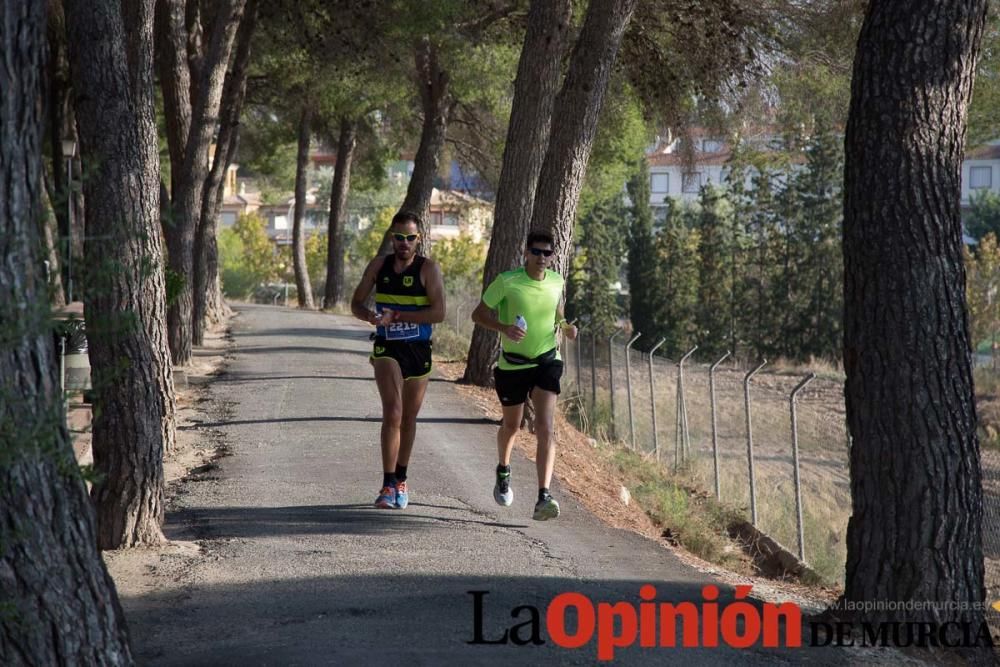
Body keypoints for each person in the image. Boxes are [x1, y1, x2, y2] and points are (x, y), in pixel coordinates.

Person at [471, 231, 577, 520]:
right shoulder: (508, 281)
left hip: (546, 360)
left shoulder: (556, 281)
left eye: (548, 253)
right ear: (526, 253)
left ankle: (544, 495)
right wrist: (504, 328)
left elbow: (557, 312)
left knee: (545, 427)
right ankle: (503, 469)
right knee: (512, 425)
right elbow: (478, 315)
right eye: (537, 252)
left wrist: (566, 326)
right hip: (513, 364)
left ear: (554, 256)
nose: (542, 258)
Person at [351, 211, 445, 509]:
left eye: (410, 238)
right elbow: (356, 303)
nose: (404, 243)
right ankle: (387, 484)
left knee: (408, 418)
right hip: (387, 347)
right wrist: (371, 317)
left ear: (419, 240)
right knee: (392, 411)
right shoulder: (379, 266)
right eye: (399, 237)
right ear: (391, 237)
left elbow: (439, 313)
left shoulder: (428, 269)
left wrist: (400, 316)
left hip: (418, 349)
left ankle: (402, 479)